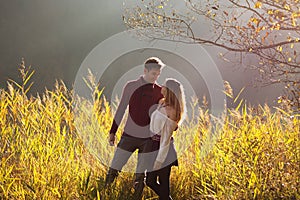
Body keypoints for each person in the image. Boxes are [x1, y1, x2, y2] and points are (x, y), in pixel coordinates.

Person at [105, 57, 165, 199]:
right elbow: (121, 109)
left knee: (140, 176)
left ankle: (136, 197)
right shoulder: (131, 86)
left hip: (148, 139)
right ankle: (104, 193)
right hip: (128, 136)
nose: (156, 77)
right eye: (153, 74)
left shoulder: (160, 91)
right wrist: (112, 132)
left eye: (158, 74)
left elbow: (163, 114)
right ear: (145, 71)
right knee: (114, 168)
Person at [146, 78, 186, 200]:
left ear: (169, 90)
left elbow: (165, 139)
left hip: (165, 150)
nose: (161, 87)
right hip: (153, 146)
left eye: (163, 86)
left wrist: (159, 160)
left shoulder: (172, 111)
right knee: (149, 181)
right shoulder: (162, 102)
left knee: (163, 185)